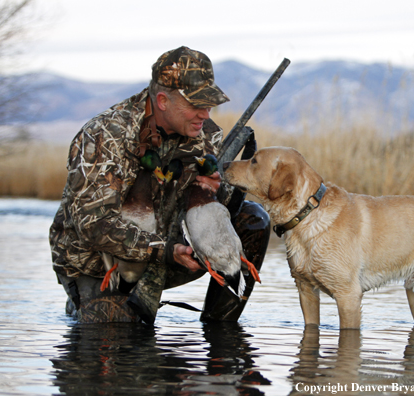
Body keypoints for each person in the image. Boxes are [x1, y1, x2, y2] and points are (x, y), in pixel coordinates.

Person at [49, 46, 270, 324]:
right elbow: (93, 225)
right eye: (195, 104)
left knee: (253, 220)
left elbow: (210, 218)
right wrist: (162, 250)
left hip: (173, 252)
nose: (205, 114)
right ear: (163, 100)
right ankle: (87, 302)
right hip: (99, 264)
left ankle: (220, 334)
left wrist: (216, 191)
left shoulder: (207, 135)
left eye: (209, 104)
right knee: (115, 328)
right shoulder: (103, 137)